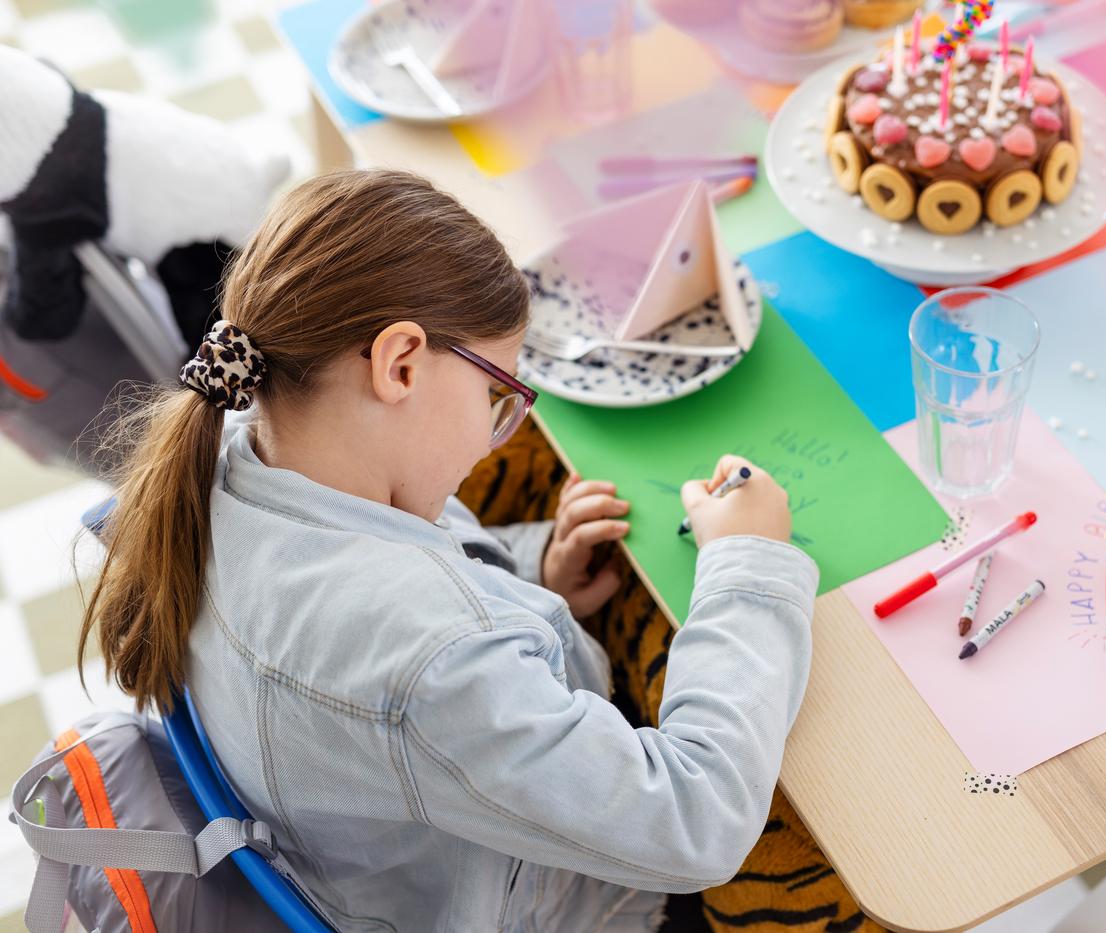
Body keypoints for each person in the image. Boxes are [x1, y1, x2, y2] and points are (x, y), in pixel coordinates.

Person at [80, 169, 830, 932]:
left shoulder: (238, 451)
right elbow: (698, 822)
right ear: (399, 362)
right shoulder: (428, 663)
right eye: (495, 396)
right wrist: (749, 565)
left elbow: (403, 572)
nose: (490, 436)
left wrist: (535, 565)